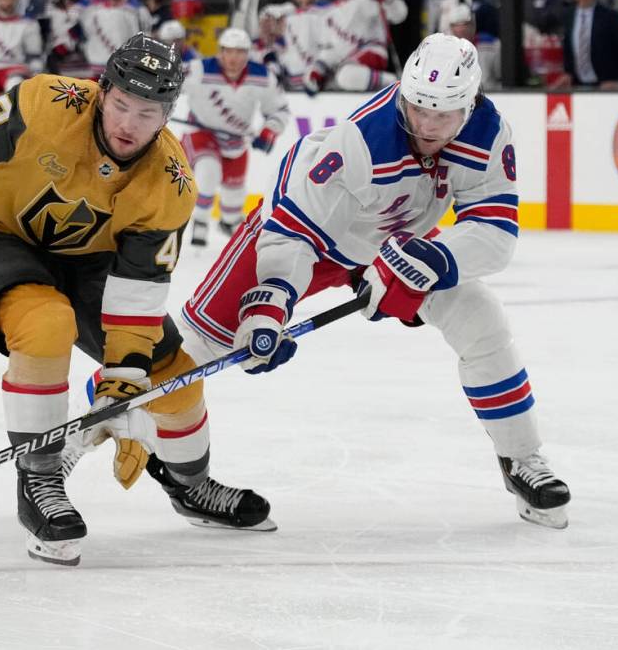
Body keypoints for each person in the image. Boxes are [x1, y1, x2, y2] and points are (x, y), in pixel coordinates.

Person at [0, 33, 274, 567]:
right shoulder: (46, 103)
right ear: (101, 91)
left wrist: (126, 375)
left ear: (168, 115)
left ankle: (191, 485)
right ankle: (38, 480)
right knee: (46, 323)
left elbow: (139, 290)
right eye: (121, 105)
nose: (128, 124)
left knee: (173, 374)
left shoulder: (171, 181)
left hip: (87, 264)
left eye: (148, 112)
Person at [180, 33, 572, 530]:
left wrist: (431, 256)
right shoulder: (363, 138)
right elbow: (293, 230)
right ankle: (76, 461)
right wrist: (269, 304)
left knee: (481, 321)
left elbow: (495, 232)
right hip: (303, 234)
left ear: (469, 107)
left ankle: (522, 458)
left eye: (444, 114)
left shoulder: (489, 133)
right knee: (189, 351)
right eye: (416, 108)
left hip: (393, 244)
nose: (427, 125)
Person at [178, 27, 290, 247]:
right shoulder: (199, 70)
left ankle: (228, 221)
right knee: (208, 172)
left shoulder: (263, 76)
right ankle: (200, 221)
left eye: (240, 52)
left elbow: (280, 110)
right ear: (220, 52)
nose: (233, 58)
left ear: (248, 54)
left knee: (234, 194)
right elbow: (168, 81)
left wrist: (269, 131)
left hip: (236, 140)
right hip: (201, 132)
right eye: (229, 51)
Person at [554, 0, 618, 89]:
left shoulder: (611, 16)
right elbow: (568, 49)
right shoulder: (568, 16)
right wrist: (569, 73)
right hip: (578, 86)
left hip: (607, 87)